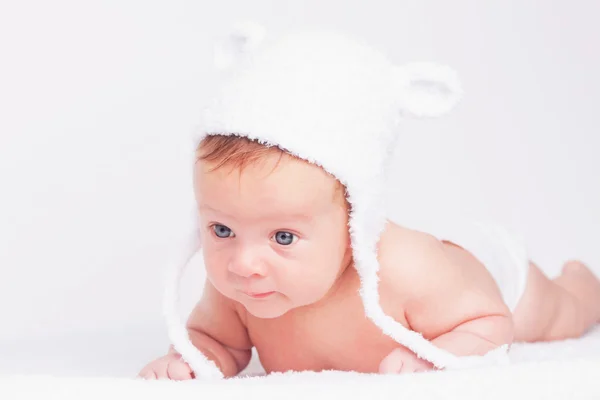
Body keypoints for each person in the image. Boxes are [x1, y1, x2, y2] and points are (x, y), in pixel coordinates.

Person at [138, 25, 600, 380]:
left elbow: (489, 320)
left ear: (356, 222)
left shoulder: (408, 271)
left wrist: (434, 355)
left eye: (283, 237)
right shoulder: (236, 285)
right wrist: (194, 360)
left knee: (562, 315)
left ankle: (582, 284)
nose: (244, 264)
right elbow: (218, 342)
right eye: (221, 230)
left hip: (488, 274)